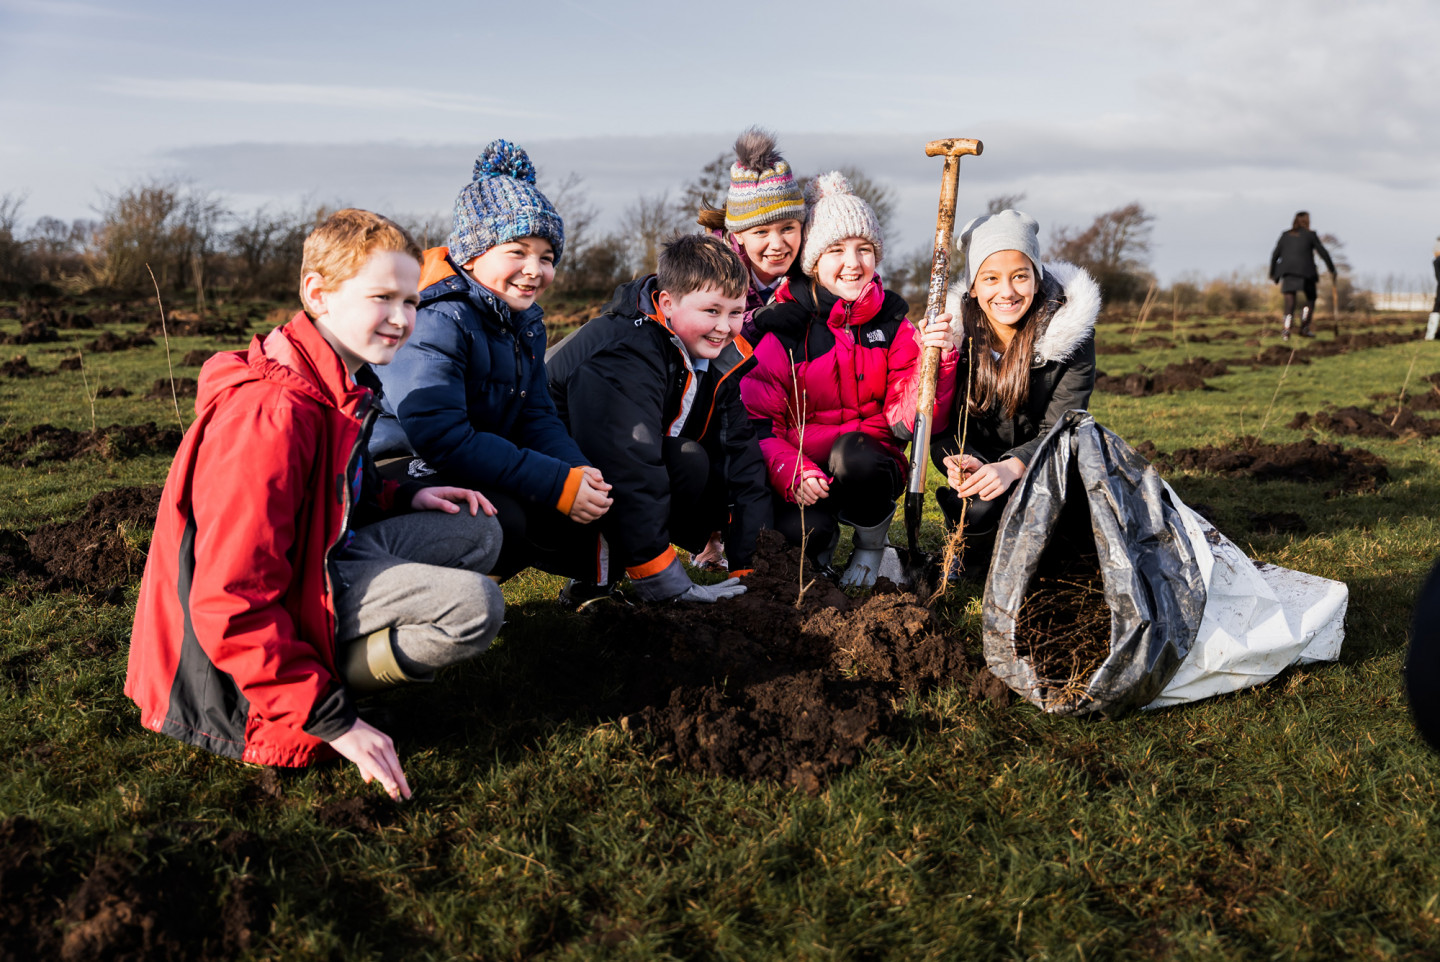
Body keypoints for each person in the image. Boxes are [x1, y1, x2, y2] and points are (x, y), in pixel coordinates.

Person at [127, 209, 507, 801]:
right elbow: (228, 600)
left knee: (478, 532)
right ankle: (318, 699)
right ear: (318, 293)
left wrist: (406, 493)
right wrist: (335, 722)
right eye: (382, 297)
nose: (403, 319)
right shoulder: (272, 414)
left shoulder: (330, 380)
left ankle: (332, 658)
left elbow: (324, 489)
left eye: (411, 301)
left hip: (314, 568)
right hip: (224, 679)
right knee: (474, 607)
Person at [370, 139, 611, 580]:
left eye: (547, 257)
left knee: (567, 503)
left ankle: (491, 590)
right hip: (398, 462)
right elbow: (440, 437)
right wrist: (555, 482)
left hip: (467, 456)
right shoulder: (437, 318)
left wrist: (575, 470)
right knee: (510, 516)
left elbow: (537, 414)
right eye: (517, 252)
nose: (535, 269)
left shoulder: (526, 323)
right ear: (473, 253)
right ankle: (430, 596)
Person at [742, 172, 958, 588]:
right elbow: (760, 425)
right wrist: (793, 471)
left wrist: (937, 359)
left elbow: (906, 421)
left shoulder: (893, 322)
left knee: (853, 455)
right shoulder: (782, 327)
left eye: (864, 249)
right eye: (837, 250)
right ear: (813, 260)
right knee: (799, 536)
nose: (853, 263)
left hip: (867, 464)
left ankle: (871, 545)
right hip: (802, 470)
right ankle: (820, 554)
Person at [547, 234, 767, 605]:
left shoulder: (717, 358)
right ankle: (595, 580)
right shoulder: (624, 349)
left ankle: (606, 576)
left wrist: (753, 572)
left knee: (693, 461)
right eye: (711, 311)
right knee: (682, 460)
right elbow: (627, 464)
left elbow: (742, 462)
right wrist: (663, 582)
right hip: (538, 488)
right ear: (667, 302)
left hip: (604, 482)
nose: (725, 327)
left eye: (735, 312)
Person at [930, 209, 1100, 578]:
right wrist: (959, 460)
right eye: (990, 278)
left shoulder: (1070, 337)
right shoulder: (952, 338)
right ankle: (966, 547)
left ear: (1037, 280)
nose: (1006, 291)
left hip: (1047, 463)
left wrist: (1012, 466)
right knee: (979, 510)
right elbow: (939, 425)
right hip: (981, 464)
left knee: (1069, 542)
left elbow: (1064, 426)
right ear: (974, 287)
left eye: (1019, 276)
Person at [692, 127, 807, 568]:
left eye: (788, 228)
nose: (777, 244)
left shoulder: (804, 278)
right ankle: (711, 538)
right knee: (716, 450)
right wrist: (757, 322)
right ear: (737, 234)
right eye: (761, 231)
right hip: (716, 399)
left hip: (778, 403)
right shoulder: (712, 272)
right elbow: (702, 340)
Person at [1269, 211, 1336, 340]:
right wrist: (1332, 270)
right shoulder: (1310, 235)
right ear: (1307, 221)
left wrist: (1273, 273)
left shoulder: (1285, 235)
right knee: (1310, 298)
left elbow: (1275, 255)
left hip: (1287, 272)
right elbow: (1323, 252)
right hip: (1306, 272)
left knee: (1289, 302)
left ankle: (1286, 331)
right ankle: (1304, 328)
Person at [1427, 236, 1440, 341]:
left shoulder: (1437, 261)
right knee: (1436, 309)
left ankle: (1430, 335)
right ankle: (1430, 335)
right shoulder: (1437, 261)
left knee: (1436, 309)